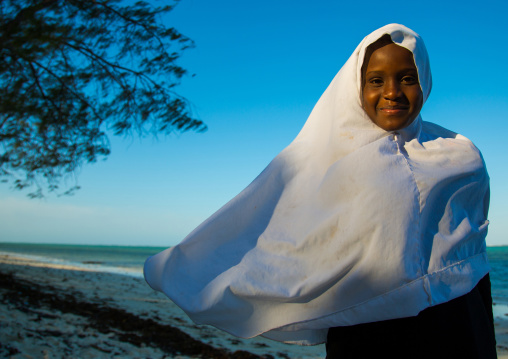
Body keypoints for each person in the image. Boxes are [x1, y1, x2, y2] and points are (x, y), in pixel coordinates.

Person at [144, 24, 495, 357]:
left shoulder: (461, 155)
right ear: (357, 88)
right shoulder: (327, 165)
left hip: (458, 328)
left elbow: (476, 261)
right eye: (376, 80)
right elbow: (286, 244)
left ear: (425, 81)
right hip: (369, 336)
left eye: (407, 78)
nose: (391, 92)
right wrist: (198, 276)